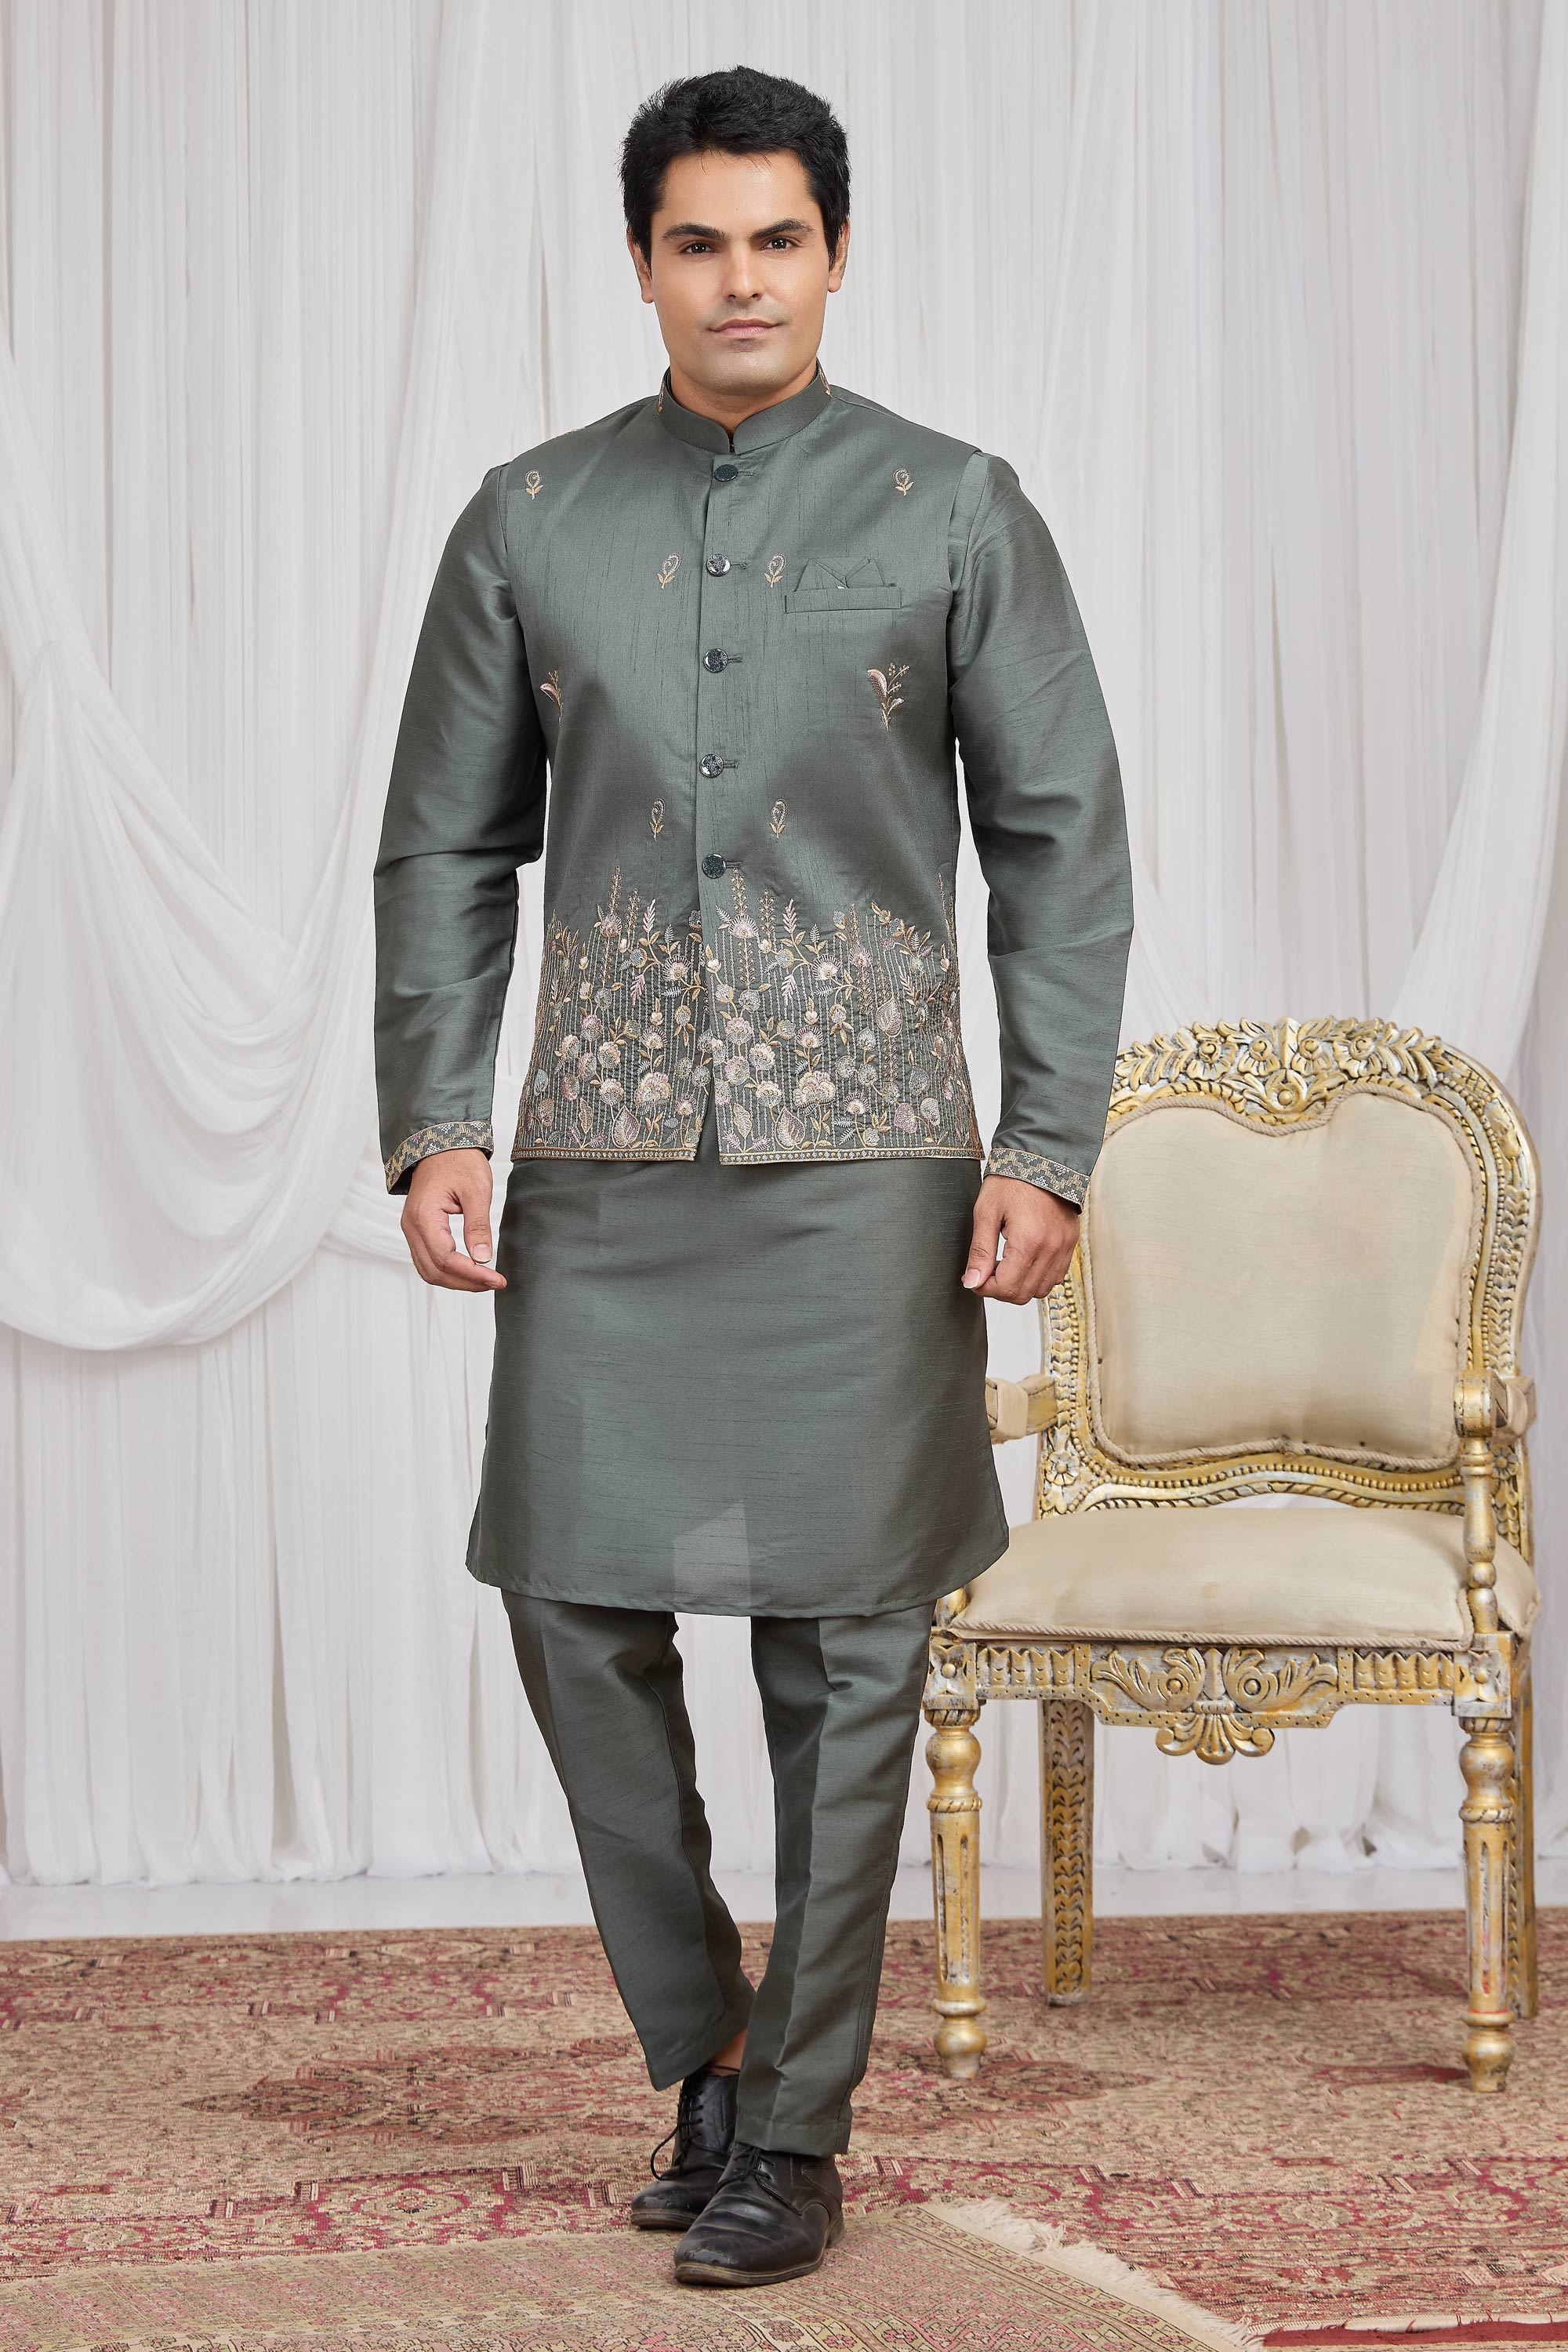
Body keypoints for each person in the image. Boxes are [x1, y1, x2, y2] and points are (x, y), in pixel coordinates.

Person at [372, 64, 1131, 2291]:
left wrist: (1048, 1139)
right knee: (571, 1602)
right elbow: (445, 845)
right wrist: (437, 1115)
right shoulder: (529, 519)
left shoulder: (957, 508)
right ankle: (702, 2045)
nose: (738, 280)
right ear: (639, 262)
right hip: (605, 1162)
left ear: (836, 253)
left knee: (848, 1649)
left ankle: (797, 2129)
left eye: (775, 240)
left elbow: (1060, 843)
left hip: (868, 1168)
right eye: (696, 242)